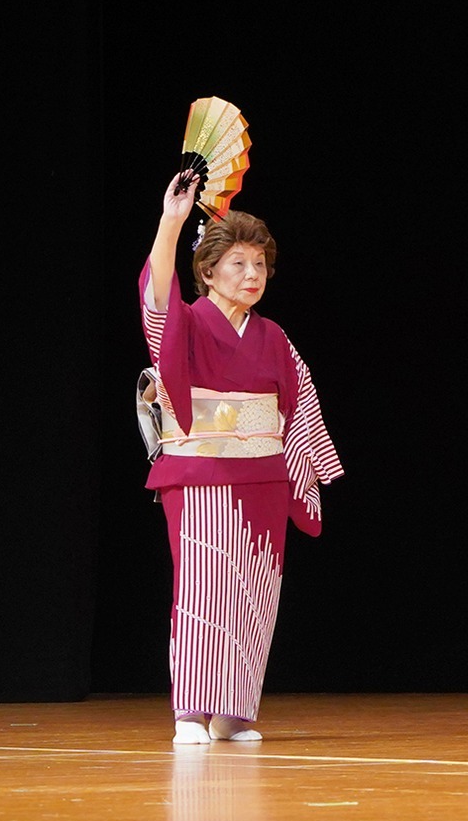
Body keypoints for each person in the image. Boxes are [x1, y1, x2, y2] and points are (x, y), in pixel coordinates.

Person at [141, 171, 344, 745]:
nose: (252, 276)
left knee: (257, 588)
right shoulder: (184, 322)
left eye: (259, 266)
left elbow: (298, 403)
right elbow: (157, 294)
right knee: (205, 586)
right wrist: (172, 221)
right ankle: (191, 711)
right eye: (238, 264)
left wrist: (306, 464)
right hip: (199, 474)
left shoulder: (275, 336)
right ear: (207, 272)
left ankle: (234, 711)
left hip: (263, 474)